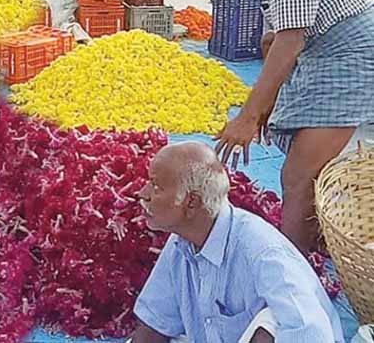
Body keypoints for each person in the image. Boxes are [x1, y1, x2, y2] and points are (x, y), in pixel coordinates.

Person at [212, 0, 374, 254]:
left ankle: (294, 277)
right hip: (327, 52)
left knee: (298, 176)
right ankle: (315, 252)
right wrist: (270, 99)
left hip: (351, 56)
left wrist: (249, 115)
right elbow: (277, 36)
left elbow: (291, 38)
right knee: (306, 172)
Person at [131, 142, 344, 343]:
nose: (143, 194)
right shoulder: (181, 243)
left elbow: (311, 333)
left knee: (271, 323)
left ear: (191, 202)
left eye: (156, 186)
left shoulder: (264, 253)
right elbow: (155, 320)